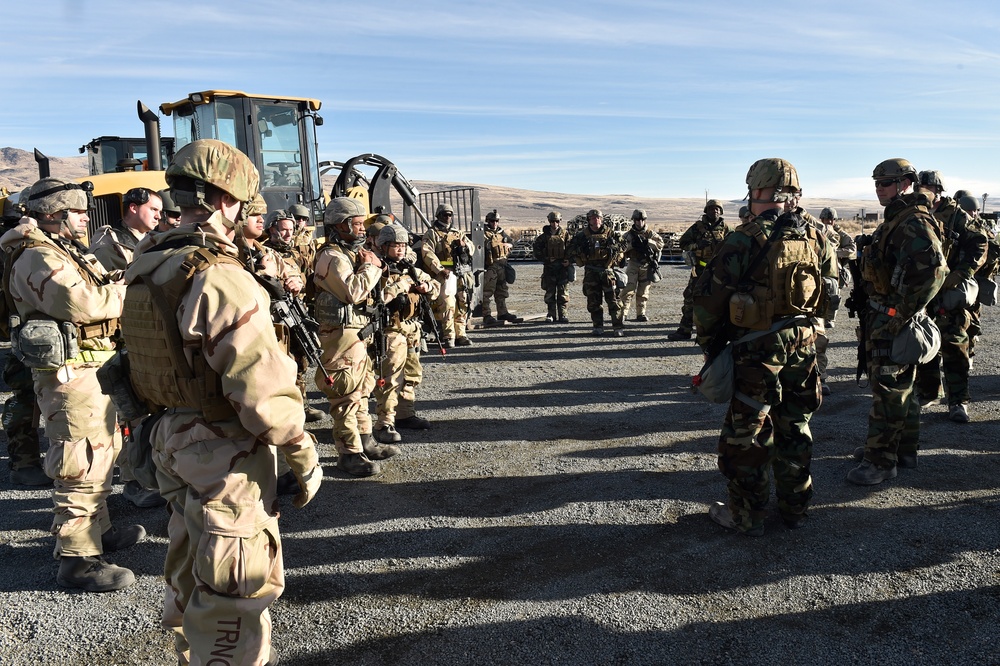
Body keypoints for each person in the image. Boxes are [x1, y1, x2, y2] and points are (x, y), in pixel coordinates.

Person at [121, 139, 322, 664]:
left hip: (170, 436)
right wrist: (302, 451)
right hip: (222, 447)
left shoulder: (151, 261)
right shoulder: (220, 276)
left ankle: (194, 651)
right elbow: (261, 389)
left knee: (192, 557)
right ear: (226, 199)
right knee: (237, 584)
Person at [1, 177, 145, 590]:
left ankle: (96, 532)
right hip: (69, 377)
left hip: (90, 370)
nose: (85, 218)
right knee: (79, 462)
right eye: (78, 212)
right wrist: (125, 292)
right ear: (54, 215)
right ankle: (77, 559)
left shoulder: (62, 249)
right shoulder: (36, 256)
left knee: (102, 454)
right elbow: (82, 303)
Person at [693, 158, 835, 536]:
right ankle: (795, 507)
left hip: (758, 352)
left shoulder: (744, 238)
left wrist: (710, 346)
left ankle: (747, 514)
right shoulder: (816, 236)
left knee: (748, 434)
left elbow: (707, 302)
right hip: (803, 345)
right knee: (796, 424)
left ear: (757, 192)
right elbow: (831, 288)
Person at [847, 159, 946, 486]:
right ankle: (903, 451)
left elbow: (934, 270)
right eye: (876, 183)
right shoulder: (898, 218)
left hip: (893, 320)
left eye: (886, 183)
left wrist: (898, 313)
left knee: (888, 389)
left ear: (905, 182)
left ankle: (880, 461)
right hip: (885, 314)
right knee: (901, 386)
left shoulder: (912, 221)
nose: (879, 188)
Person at [88, 187, 168, 509]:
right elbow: (115, 287)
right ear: (133, 208)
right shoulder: (109, 244)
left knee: (147, 409)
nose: (160, 216)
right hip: (123, 337)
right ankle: (134, 482)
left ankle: (147, 473)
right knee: (130, 413)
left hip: (144, 333)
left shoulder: (148, 240)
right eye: (154, 209)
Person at [314, 196, 399, 477]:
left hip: (357, 334)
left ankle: (364, 440)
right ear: (340, 226)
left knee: (362, 389)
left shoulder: (352, 254)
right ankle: (348, 453)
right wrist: (372, 266)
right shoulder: (331, 256)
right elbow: (352, 292)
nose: (363, 229)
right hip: (340, 336)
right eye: (357, 224)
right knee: (345, 393)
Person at [912, 173, 987, 423]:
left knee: (955, 346)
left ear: (939, 190)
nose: (924, 191)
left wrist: (962, 273)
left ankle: (958, 401)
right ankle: (929, 391)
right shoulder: (915, 212)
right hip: (923, 292)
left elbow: (980, 243)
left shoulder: (956, 215)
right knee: (925, 344)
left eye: (929, 187)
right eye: (920, 187)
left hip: (948, 292)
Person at [370, 223, 439, 443]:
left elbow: (434, 285)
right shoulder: (377, 270)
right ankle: (384, 423)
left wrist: (428, 287)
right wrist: (401, 285)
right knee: (390, 378)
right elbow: (377, 298)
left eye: (402, 245)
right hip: (390, 330)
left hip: (411, 329)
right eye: (395, 245)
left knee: (411, 374)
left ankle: (405, 414)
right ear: (384, 246)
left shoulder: (409, 268)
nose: (400, 250)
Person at [1, 190, 49, 487]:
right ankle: (24, 462)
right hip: (24, 330)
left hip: (30, 330)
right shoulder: (16, 245)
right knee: (25, 399)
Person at [265, 208, 326, 423]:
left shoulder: (292, 254)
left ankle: (301, 402)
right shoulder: (264, 254)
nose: (290, 234)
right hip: (275, 315)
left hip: (296, 310)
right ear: (272, 229)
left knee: (301, 358)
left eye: (292, 230)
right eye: (284, 230)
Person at [671, 200, 733, 341]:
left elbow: (735, 247)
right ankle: (685, 330)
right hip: (700, 269)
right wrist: (697, 245)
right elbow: (683, 243)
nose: (714, 211)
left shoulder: (727, 228)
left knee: (722, 301)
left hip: (719, 271)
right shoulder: (697, 227)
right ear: (706, 210)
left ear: (721, 211)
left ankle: (719, 333)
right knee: (691, 298)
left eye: (717, 209)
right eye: (711, 208)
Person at [420, 203, 474, 347]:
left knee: (463, 303)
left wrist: (464, 245)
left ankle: (461, 334)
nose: (448, 217)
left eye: (450, 214)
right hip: (444, 274)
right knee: (447, 304)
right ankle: (449, 335)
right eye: (445, 214)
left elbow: (472, 248)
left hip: (460, 272)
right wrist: (439, 269)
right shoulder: (432, 233)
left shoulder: (458, 233)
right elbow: (427, 252)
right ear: (438, 216)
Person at [567, 209, 625, 336]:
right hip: (591, 272)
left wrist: (615, 249)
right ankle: (598, 326)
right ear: (589, 220)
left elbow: (624, 245)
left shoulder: (610, 233)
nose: (596, 220)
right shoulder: (582, 235)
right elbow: (570, 249)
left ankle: (618, 327)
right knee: (593, 301)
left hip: (607, 272)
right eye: (593, 218)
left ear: (601, 219)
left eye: (598, 218)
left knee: (614, 300)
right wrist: (579, 251)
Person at [88, 187, 162, 271]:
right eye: (154, 209)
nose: (158, 216)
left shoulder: (157, 240)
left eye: (160, 212)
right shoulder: (109, 242)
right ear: (133, 208)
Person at [619, 209, 664, 322]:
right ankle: (623, 313)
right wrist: (631, 246)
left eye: (642, 220)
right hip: (633, 263)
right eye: (637, 220)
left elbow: (661, 244)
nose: (639, 222)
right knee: (628, 289)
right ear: (633, 221)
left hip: (646, 264)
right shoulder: (629, 235)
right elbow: (620, 248)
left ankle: (641, 314)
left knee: (643, 291)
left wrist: (649, 242)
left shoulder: (650, 233)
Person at [481, 209, 522, 326]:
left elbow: (512, 243)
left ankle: (502, 312)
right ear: (487, 221)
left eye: (496, 221)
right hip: (491, 267)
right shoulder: (483, 234)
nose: (494, 223)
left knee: (502, 291)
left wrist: (510, 245)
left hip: (502, 266)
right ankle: (486, 315)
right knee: (487, 292)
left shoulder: (501, 233)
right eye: (492, 221)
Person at [532, 211, 571, 323]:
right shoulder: (543, 237)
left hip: (562, 268)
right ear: (549, 221)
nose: (555, 224)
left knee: (563, 292)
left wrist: (568, 261)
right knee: (550, 292)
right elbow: (536, 251)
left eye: (557, 221)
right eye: (552, 221)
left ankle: (563, 314)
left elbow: (572, 249)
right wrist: (546, 259)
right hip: (549, 268)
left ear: (560, 221)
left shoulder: (565, 235)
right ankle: (551, 314)